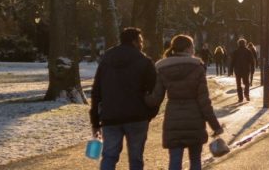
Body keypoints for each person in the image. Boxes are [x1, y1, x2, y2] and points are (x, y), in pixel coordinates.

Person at [145, 35, 222, 170]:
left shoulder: (164, 68)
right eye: (192, 46)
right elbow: (204, 102)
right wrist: (215, 126)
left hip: (173, 120)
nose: (194, 49)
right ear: (187, 48)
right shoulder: (197, 68)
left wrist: (141, 97)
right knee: (195, 160)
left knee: (174, 161)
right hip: (195, 120)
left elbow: (155, 99)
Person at [90, 28, 158, 170]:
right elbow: (155, 91)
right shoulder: (144, 61)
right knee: (136, 158)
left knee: (109, 156)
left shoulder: (106, 60)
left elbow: (97, 91)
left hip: (110, 116)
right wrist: (149, 113)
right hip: (137, 116)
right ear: (134, 42)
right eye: (140, 40)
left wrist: (95, 120)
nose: (142, 43)